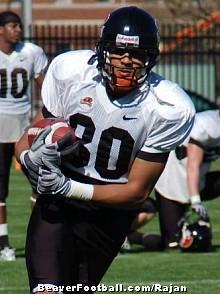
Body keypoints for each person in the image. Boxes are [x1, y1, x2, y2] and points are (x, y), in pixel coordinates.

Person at [15, 6, 195, 294]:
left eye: (136, 54)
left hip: (109, 210)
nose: (126, 61)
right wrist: (29, 159)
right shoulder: (71, 72)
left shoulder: (168, 107)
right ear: (102, 50)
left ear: (150, 58)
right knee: (45, 290)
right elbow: (30, 137)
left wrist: (67, 187)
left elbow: (136, 191)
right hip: (57, 206)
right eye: (117, 50)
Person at [0, 11, 48, 261]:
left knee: (43, 182)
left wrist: (41, 118)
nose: (18, 30)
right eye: (12, 26)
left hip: (24, 126)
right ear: (0, 30)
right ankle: (3, 243)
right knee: (0, 189)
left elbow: (48, 90)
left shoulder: (31, 52)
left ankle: (42, 237)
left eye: (19, 25)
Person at [155, 109, 220, 249]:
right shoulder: (205, 125)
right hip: (172, 184)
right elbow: (192, 166)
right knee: (173, 243)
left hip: (198, 182)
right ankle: (132, 237)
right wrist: (196, 201)